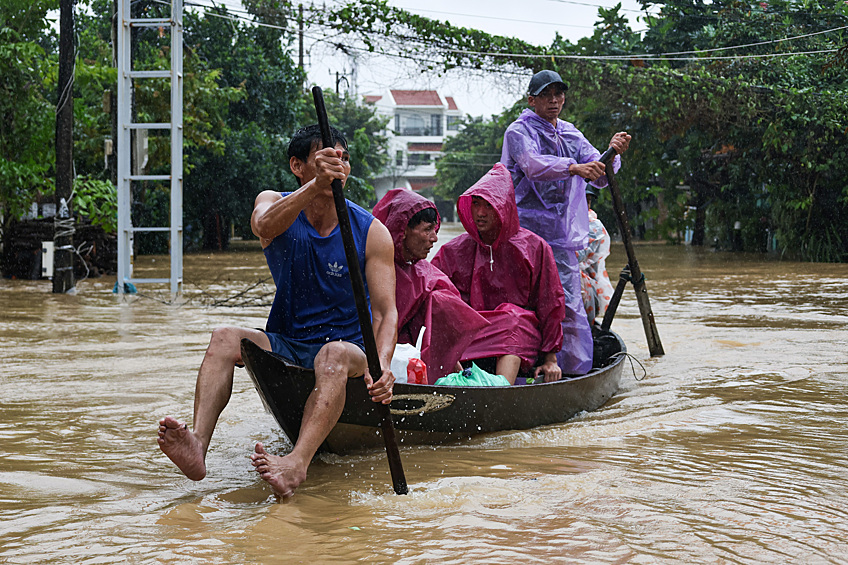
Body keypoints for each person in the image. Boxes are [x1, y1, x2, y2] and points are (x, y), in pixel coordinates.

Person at [157, 124, 398, 498]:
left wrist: (380, 366)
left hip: (346, 348)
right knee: (224, 338)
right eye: (326, 160)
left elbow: (385, 313)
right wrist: (316, 185)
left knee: (333, 354)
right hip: (288, 340)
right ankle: (197, 445)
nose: (339, 167)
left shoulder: (371, 231)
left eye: (344, 159)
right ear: (297, 165)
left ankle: (296, 463)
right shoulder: (274, 201)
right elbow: (264, 225)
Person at [501, 69, 631, 375]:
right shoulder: (518, 132)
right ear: (532, 100)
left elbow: (597, 170)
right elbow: (532, 165)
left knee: (566, 302)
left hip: (560, 235)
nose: (554, 100)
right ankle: (522, 366)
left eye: (558, 94)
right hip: (523, 232)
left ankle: (573, 369)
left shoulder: (571, 133)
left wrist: (611, 154)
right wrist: (574, 168)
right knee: (523, 300)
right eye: (546, 95)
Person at [431, 163, 565, 384]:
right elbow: (434, 300)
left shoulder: (535, 247)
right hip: (472, 335)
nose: (480, 213)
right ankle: (459, 380)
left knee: (512, 319)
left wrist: (551, 358)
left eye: (489, 205)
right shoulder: (452, 250)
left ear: (504, 207)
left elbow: (551, 304)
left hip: (518, 334)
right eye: (475, 204)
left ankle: (500, 389)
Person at [372, 188, 490, 383]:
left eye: (434, 231)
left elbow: (442, 329)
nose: (434, 238)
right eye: (427, 230)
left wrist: (460, 375)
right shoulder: (372, 264)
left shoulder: (425, 272)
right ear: (402, 231)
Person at [577, 185, 614, 326]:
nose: (585, 205)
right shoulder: (563, 221)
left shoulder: (593, 225)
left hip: (587, 291)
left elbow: (577, 256)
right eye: (581, 200)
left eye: (588, 200)